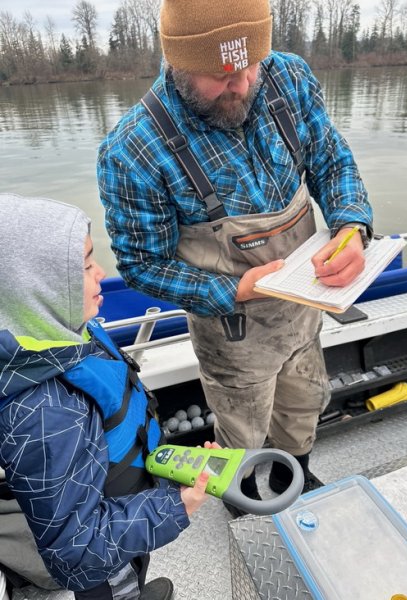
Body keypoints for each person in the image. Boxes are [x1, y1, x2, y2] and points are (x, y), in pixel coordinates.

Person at [97, 0, 373, 517]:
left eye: (251, 65)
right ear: (178, 62)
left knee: (304, 404)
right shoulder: (133, 150)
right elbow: (141, 265)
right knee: (240, 431)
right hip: (232, 334)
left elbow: (332, 161)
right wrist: (234, 290)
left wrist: (351, 226)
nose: (243, 84)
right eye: (221, 74)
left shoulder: (289, 77)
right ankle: (242, 506)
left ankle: (294, 477)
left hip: (304, 313)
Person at [0, 193, 215, 600]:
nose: (101, 272)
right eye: (84, 265)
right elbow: (77, 553)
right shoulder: (46, 412)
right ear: (39, 288)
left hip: (118, 504)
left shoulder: (57, 334)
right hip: (100, 566)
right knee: (116, 588)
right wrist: (178, 505)